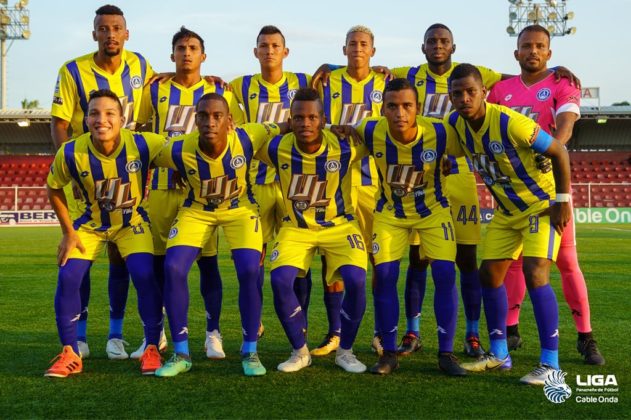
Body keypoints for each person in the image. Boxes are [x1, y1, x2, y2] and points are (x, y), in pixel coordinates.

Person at [487, 24, 604, 365]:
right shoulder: (500, 90)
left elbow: (565, 124)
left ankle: (585, 337)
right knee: (513, 263)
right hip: (512, 192)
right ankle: (511, 329)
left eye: (540, 46)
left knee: (566, 262)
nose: (533, 51)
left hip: (550, 189)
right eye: (527, 46)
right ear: (516, 52)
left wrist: (553, 147)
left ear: (549, 53)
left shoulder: (562, 83)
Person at [447, 63, 572, 385]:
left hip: (540, 206)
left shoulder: (510, 122)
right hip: (506, 211)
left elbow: (559, 151)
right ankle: (500, 354)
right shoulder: (455, 125)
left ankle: (550, 364)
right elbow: (446, 150)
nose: (464, 98)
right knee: (489, 275)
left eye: (471, 92)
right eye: (457, 93)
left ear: (483, 92)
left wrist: (562, 201)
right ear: (450, 97)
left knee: (535, 273)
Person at [333, 78, 467, 376]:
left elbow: (470, 149)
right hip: (390, 214)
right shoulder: (370, 129)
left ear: (418, 108)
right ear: (383, 109)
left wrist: (449, 162)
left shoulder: (440, 132)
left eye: (407, 106)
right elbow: (344, 142)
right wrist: (338, 131)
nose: (400, 113)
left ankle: (446, 354)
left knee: (445, 274)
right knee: (384, 276)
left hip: (433, 213)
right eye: (392, 106)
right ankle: (389, 353)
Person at [152, 93, 288, 377]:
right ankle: (181, 353)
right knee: (173, 268)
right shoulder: (179, 148)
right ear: (195, 119)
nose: (210, 122)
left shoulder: (248, 136)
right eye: (203, 116)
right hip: (197, 209)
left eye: (217, 116)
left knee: (250, 270)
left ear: (230, 121)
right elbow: (142, 157)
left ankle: (250, 351)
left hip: (240, 209)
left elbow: (284, 126)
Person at [131, 26, 245, 360]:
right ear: (172, 55)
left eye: (193, 48)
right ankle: (157, 334)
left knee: (208, 264)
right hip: (163, 187)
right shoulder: (155, 89)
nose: (187, 53)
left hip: (202, 190)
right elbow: (140, 132)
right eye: (181, 48)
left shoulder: (218, 89)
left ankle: (213, 334)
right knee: (160, 265)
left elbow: (233, 132)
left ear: (203, 55)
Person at [50, 4, 154, 360]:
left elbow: (160, 91)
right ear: (94, 33)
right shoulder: (73, 71)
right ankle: (78, 337)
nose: (110, 34)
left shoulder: (140, 65)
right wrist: (74, 166)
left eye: (116, 28)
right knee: (80, 260)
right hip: (88, 175)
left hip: (127, 173)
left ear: (127, 33)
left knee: (121, 258)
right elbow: (60, 122)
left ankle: (115, 334)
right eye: (103, 28)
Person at [44, 89, 165, 377]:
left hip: (131, 223)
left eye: (110, 113)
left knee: (144, 274)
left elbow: (184, 152)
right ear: (86, 120)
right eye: (94, 113)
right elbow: (53, 187)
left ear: (122, 119)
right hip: (90, 224)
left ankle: (152, 347)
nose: (102, 120)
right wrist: (67, 232)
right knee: (68, 275)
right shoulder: (71, 152)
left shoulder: (144, 143)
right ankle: (70, 352)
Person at [257, 88, 368, 373]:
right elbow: (243, 139)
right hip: (296, 228)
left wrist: (351, 128)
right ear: (290, 120)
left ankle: (346, 351)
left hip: (339, 225)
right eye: (298, 118)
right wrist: (277, 127)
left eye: (312, 117)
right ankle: (300, 351)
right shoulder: (276, 147)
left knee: (356, 280)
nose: (305, 123)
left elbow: (384, 136)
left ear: (323, 120)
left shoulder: (344, 146)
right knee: (280, 280)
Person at [230, 25, 312, 337]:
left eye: (275, 45)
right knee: (255, 256)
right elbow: (212, 91)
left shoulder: (302, 81)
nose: (269, 51)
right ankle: (256, 319)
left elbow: (334, 75)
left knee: (300, 255)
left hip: (295, 182)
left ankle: (301, 322)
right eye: (263, 46)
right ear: (255, 52)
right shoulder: (241, 85)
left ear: (285, 51)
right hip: (257, 182)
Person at [311, 25, 383, 357]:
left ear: (373, 50)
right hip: (334, 183)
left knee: (379, 258)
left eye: (363, 44)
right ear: (344, 50)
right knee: (332, 259)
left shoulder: (385, 82)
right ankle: (335, 332)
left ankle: (380, 332)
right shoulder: (327, 81)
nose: (358, 48)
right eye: (352, 43)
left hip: (372, 183)